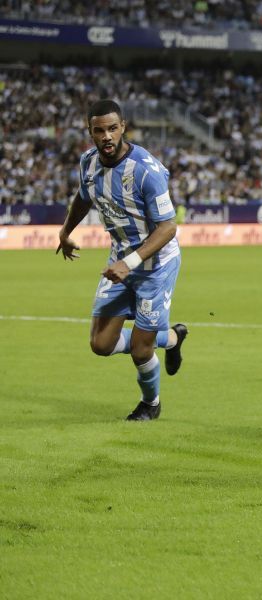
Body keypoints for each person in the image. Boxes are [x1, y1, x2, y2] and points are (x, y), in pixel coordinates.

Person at [56, 99, 188, 421]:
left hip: (155, 266)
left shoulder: (145, 171)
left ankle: (151, 404)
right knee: (101, 343)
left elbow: (168, 227)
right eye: (99, 130)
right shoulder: (89, 163)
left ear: (123, 127)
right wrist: (65, 231)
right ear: (90, 132)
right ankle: (171, 337)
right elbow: (83, 197)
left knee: (142, 349)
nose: (107, 136)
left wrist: (128, 263)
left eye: (112, 128)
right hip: (120, 261)